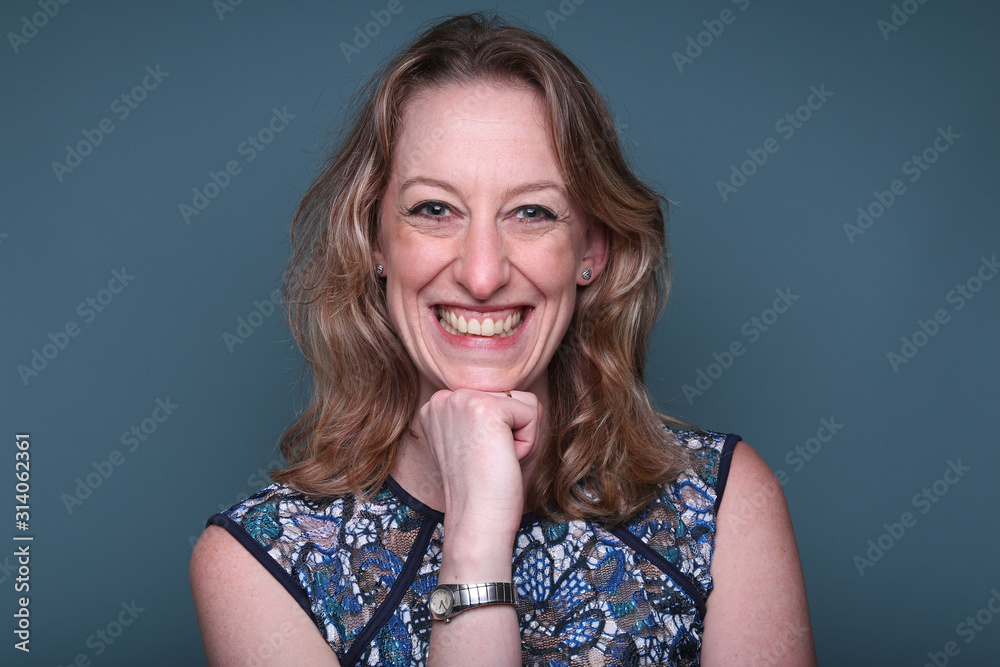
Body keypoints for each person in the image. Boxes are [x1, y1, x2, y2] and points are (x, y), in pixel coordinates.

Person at [190, 13, 816, 666]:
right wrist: (475, 537)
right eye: (435, 209)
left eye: (532, 212)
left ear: (591, 251)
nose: (482, 273)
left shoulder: (720, 506)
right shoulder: (259, 566)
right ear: (376, 243)